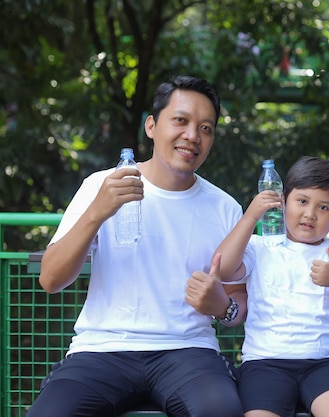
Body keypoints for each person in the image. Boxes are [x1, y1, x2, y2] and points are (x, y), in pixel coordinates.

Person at [28, 75, 248, 417]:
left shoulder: (224, 207)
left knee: (222, 412)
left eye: (206, 128)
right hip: (102, 348)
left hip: (188, 352)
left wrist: (222, 307)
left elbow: (238, 304)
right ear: (151, 126)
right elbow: (51, 279)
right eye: (181, 120)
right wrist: (96, 213)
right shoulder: (101, 185)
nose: (193, 135)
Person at [216, 156, 329, 417]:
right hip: (265, 363)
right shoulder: (258, 246)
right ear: (283, 199)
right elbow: (222, 269)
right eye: (302, 201)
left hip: (327, 363)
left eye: (324, 208)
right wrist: (252, 215)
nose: (310, 214)